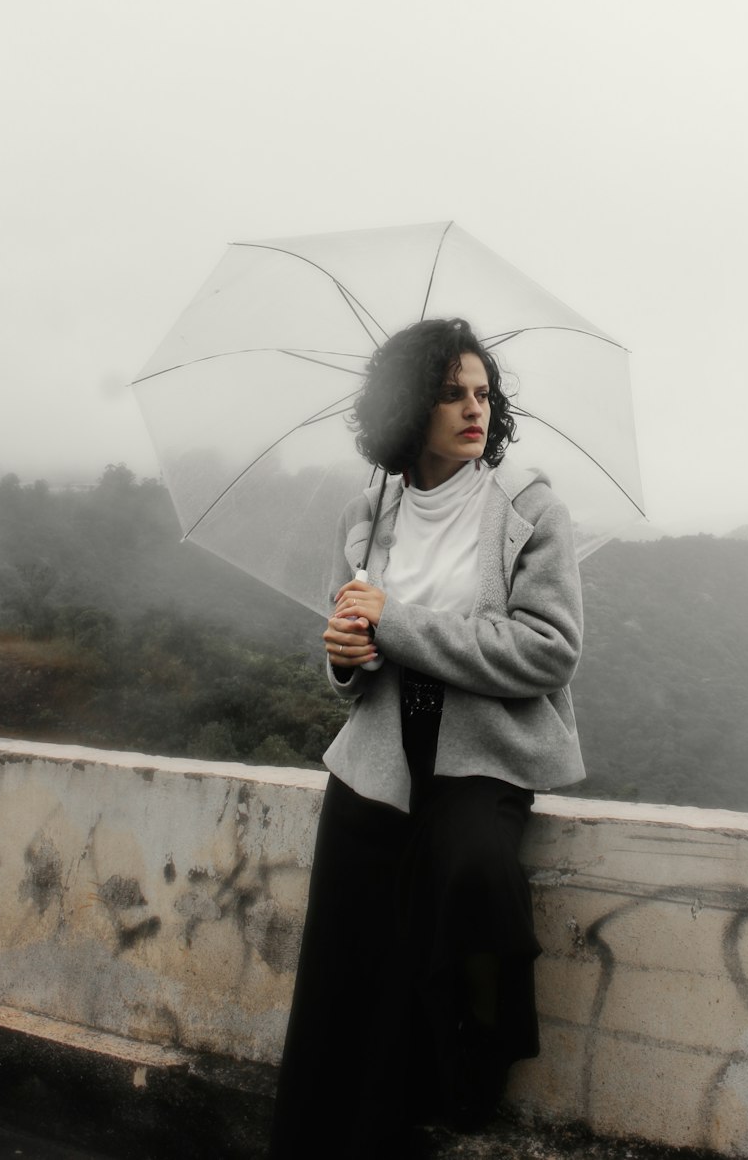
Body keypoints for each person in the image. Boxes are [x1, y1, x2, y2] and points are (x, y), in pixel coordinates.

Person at [269, 318, 585, 1159]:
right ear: (410, 405)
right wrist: (344, 654)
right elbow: (352, 651)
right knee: (346, 970)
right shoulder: (368, 512)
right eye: (451, 394)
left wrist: (397, 625)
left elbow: (549, 650)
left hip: (479, 760)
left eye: (483, 393)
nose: (473, 409)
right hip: (377, 759)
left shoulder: (527, 509)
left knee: (474, 882)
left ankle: (464, 1090)